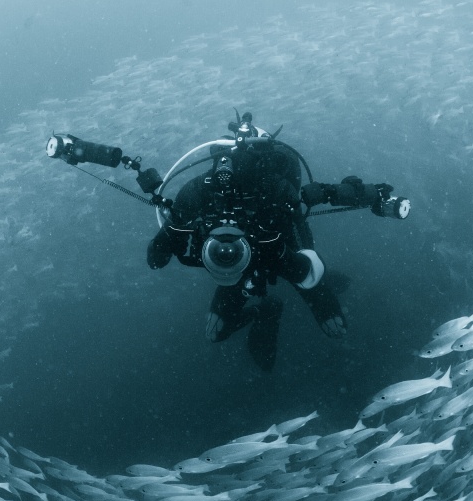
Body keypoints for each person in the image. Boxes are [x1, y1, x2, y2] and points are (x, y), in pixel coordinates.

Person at [146, 112, 400, 371]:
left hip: (282, 252)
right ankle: (266, 312)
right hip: (236, 266)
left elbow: (303, 244)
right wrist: (172, 232)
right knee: (216, 332)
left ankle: (320, 285)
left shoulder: (273, 186)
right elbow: (156, 259)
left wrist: (305, 277)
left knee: (328, 312)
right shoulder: (200, 189)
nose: (232, 172)